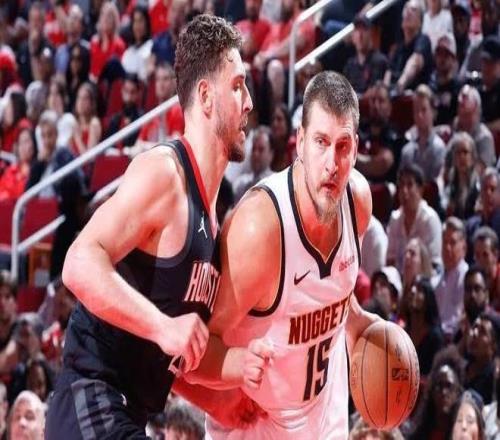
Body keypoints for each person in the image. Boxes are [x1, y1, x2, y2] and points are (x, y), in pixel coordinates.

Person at [45, 14, 255, 438]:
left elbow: (174, 357)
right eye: (238, 86)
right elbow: (79, 263)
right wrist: (164, 326)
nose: (249, 101)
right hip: (91, 397)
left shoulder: (211, 222)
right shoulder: (165, 173)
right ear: (206, 96)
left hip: (126, 413)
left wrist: (225, 403)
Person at [177, 71, 382, 438]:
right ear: (299, 142)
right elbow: (185, 351)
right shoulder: (261, 229)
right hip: (255, 428)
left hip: (326, 427)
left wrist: (361, 324)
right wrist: (217, 401)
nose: (331, 164)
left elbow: (331, 292)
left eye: (342, 146)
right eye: (320, 142)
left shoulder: (357, 202)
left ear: (355, 149)